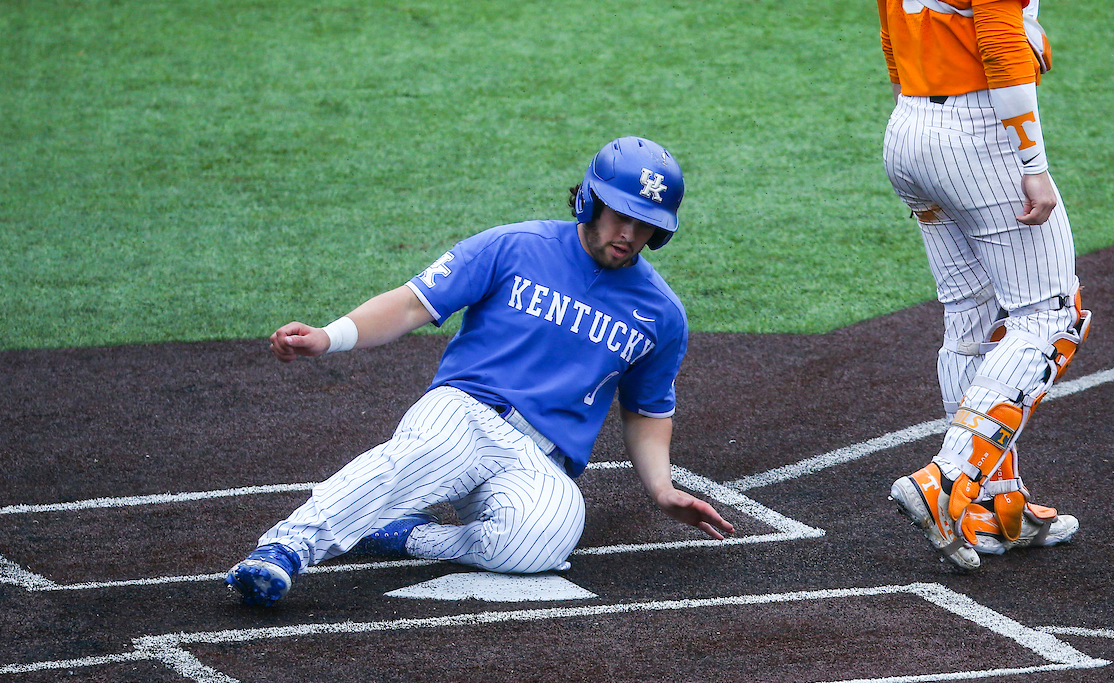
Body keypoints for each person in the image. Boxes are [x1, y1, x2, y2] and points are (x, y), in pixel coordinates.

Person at [225, 136, 735, 606]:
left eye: (645, 224)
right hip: (464, 413)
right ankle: (284, 548)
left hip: (539, 460)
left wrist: (662, 488)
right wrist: (328, 336)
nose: (629, 233)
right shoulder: (515, 246)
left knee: (544, 539)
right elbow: (412, 303)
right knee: (427, 454)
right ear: (591, 200)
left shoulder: (661, 314)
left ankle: (409, 535)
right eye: (621, 214)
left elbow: (646, 410)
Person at [876, 0, 1091, 571]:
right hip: (977, 133)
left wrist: (920, 128)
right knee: (1051, 318)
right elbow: (1001, 44)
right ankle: (947, 479)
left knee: (971, 317)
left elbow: (890, 36)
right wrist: (1033, 164)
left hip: (909, 126)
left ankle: (992, 507)